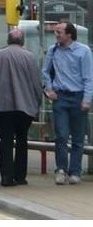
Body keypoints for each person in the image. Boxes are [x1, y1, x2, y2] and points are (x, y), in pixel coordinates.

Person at [42, 21, 93, 185]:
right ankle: (61, 170)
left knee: (78, 138)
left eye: (59, 32)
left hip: (78, 97)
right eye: (56, 32)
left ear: (69, 34)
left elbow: (88, 77)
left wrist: (87, 99)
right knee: (61, 135)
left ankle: (75, 171)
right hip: (60, 97)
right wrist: (49, 90)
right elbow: (45, 71)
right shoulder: (53, 50)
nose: (56, 35)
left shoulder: (83, 51)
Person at [0, 28, 42, 187]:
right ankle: (20, 176)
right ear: (23, 41)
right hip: (25, 107)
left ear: (8, 40)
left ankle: (6, 177)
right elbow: (36, 84)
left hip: (3, 107)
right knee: (22, 141)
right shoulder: (30, 57)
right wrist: (37, 104)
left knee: (5, 141)